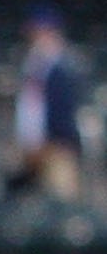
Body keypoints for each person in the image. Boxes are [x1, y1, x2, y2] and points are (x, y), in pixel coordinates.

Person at [10, 11, 82, 201]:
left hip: (57, 144)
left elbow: (64, 108)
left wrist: (57, 139)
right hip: (33, 143)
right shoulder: (32, 65)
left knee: (62, 199)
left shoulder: (62, 65)